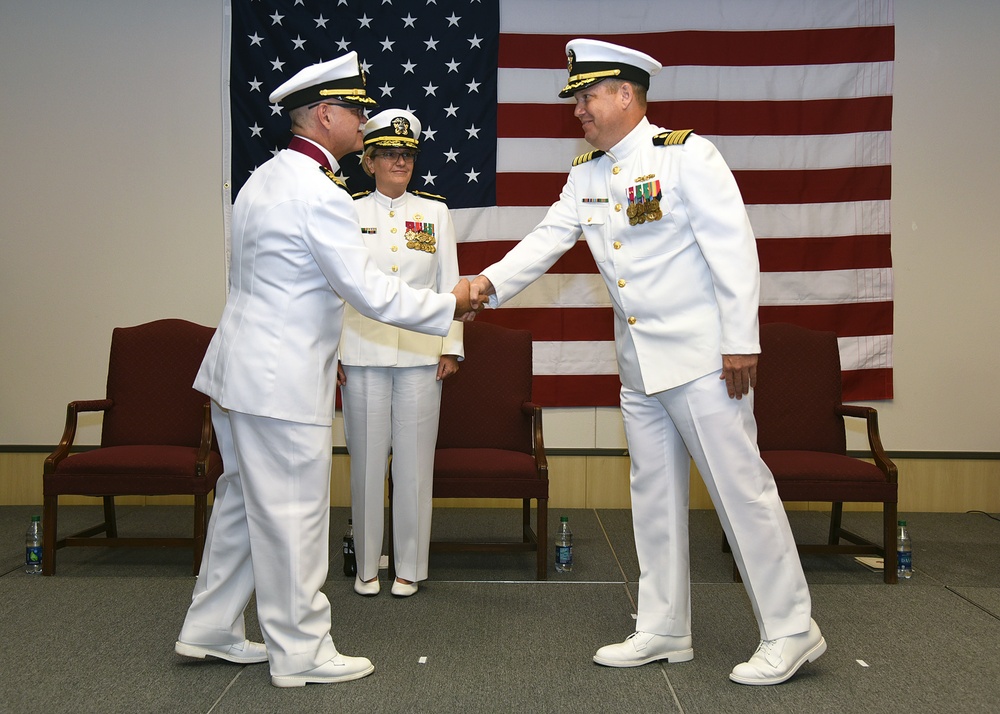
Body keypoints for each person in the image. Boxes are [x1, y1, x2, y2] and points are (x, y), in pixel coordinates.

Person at [469, 39, 826, 686]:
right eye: (576, 97)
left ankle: (792, 628)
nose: (578, 108)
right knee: (653, 498)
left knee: (741, 494)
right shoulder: (588, 172)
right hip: (639, 366)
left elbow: (733, 247)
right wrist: (484, 285)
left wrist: (742, 339)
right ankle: (664, 627)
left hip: (704, 363)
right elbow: (548, 237)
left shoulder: (687, 156)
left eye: (587, 95)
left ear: (625, 95)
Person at [174, 52, 476, 688]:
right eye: (358, 111)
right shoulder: (319, 194)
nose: (365, 123)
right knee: (294, 514)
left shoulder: (264, 178)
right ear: (325, 114)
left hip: (237, 373)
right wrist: (452, 302)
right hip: (278, 382)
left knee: (241, 505)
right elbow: (371, 293)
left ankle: (211, 628)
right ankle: (301, 651)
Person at [338, 109, 463, 598]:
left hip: (419, 356)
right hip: (362, 352)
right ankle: (367, 566)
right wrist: (333, 355)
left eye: (407, 154)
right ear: (367, 161)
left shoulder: (434, 212)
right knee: (366, 463)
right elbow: (335, 290)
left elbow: (448, 282)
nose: (400, 161)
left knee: (413, 466)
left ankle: (409, 566)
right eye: (389, 153)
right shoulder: (347, 211)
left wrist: (451, 346)